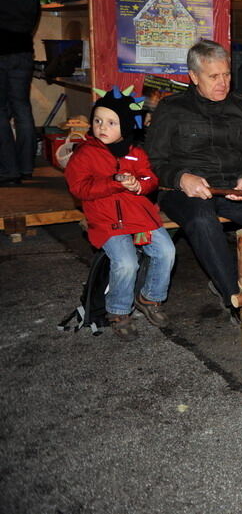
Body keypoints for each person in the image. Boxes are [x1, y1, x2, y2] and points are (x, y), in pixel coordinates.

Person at [147, 40, 242, 320]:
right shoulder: (172, 108)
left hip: (229, 188)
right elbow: (153, 161)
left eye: (227, 74)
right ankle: (236, 297)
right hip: (184, 191)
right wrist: (182, 178)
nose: (223, 82)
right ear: (194, 77)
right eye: (214, 76)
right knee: (203, 222)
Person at [64, 87, 175, 340]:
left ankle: (150, 298)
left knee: (166, 251)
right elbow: (78, 187)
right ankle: (118, 310)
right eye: (98, 120)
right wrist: (114, 182)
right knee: (126, 262)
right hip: (106, 221)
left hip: (140, 217)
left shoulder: (136, 154)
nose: (102, 126)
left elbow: (150, 177)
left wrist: (141, 185)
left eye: (111, 122)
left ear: (126, 126)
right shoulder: (85, 154)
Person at [0, 0, 41, 186]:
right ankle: (26, 168)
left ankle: (8, 171)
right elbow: (33, 16)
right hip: (23, 54)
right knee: (22, 108)